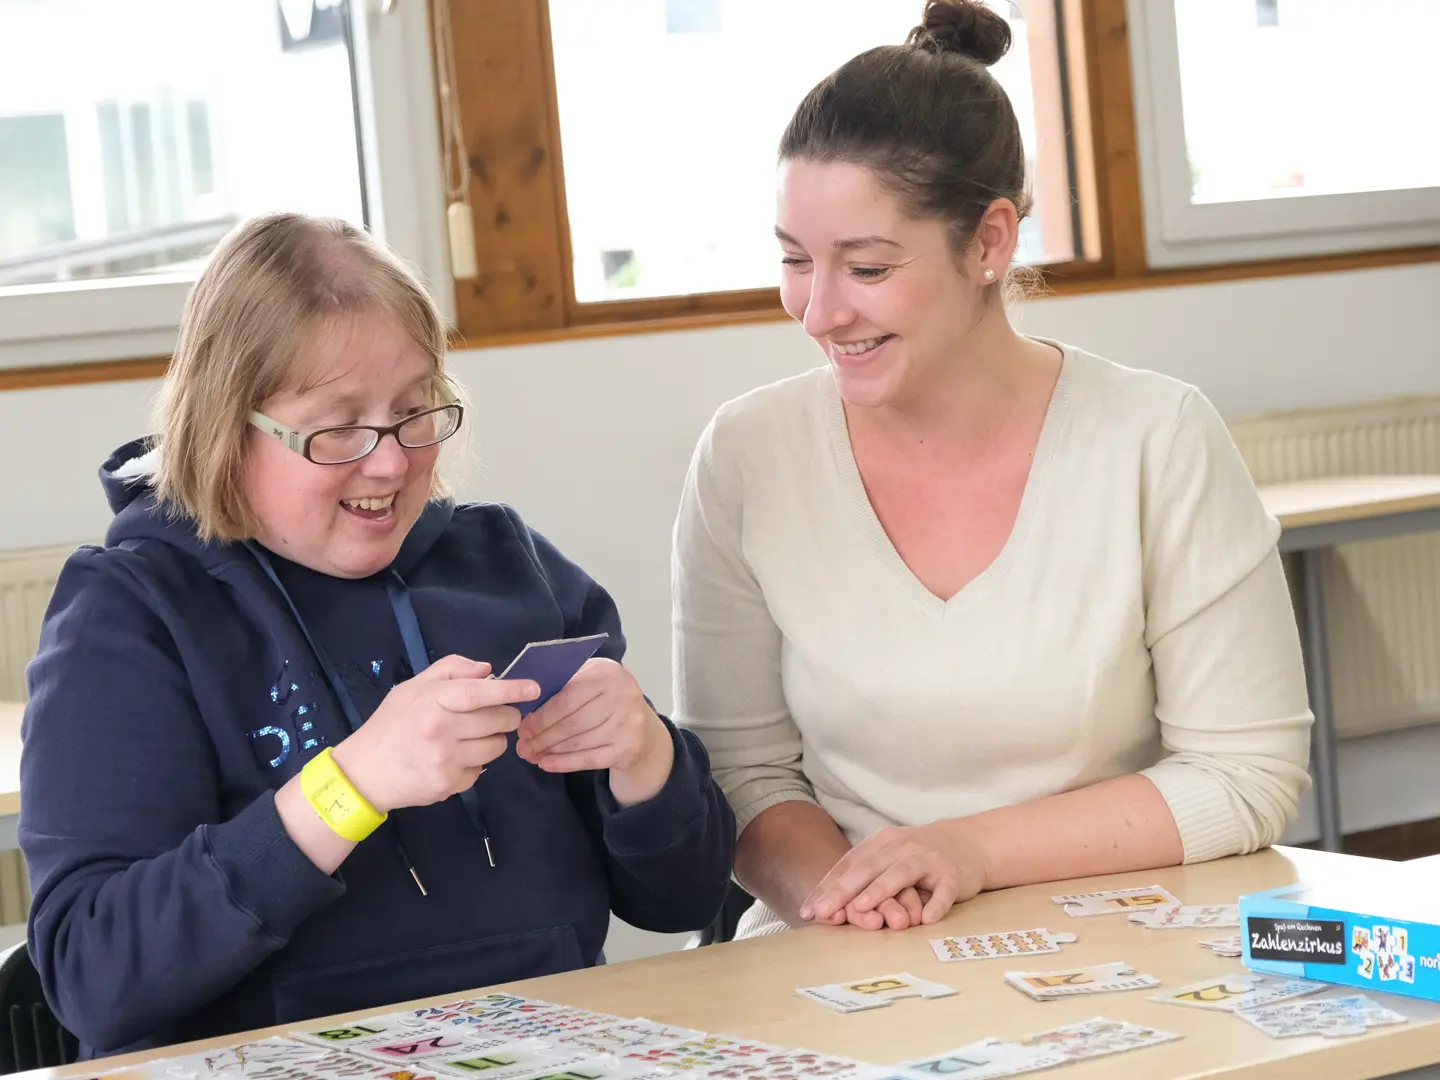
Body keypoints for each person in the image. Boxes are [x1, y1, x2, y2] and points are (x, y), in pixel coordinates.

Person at [671, 0, 1312, 940]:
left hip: (1120, 936)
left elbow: (1245, 775)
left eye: (868, 268)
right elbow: (740, 772)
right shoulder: (744, 456)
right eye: (795, 260)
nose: (818, 312)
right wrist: (858, 908)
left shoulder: (1155, 436)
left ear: (989, 241)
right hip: (842, 942)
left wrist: (966, 853)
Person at [21, 213, 734, 1057]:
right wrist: (348, 786)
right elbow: (92, 975)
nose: (391, 461)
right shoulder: (133, 611)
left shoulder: (509, 567)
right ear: (226, 425)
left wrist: (647, 764)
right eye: (339, 429)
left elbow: (682, 900)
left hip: (547, 1054)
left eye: (413, 410)